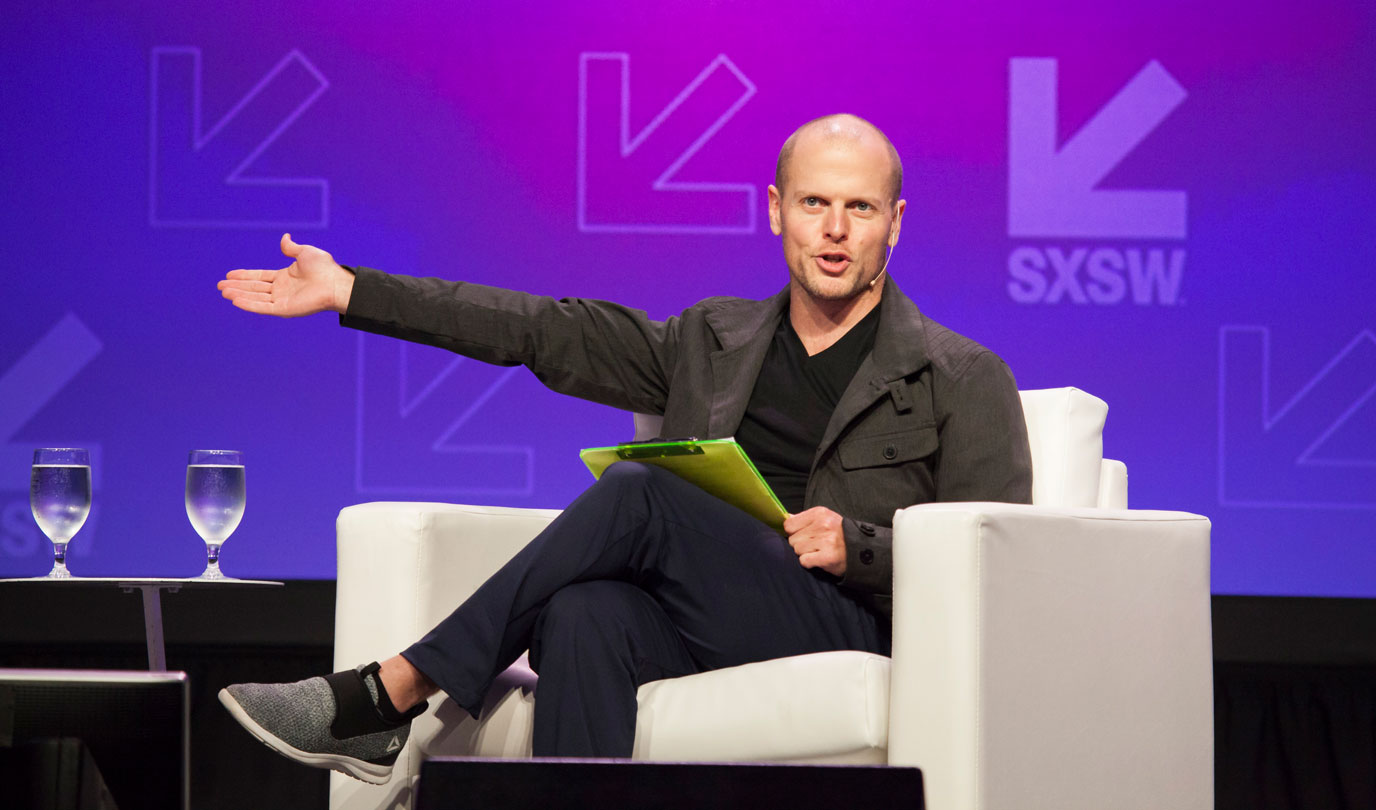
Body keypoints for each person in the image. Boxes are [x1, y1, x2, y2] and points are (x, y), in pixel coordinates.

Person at [215, 113, 1032, 784]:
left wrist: (858, 548)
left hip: (844, 620)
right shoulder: (712, 337)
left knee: (644, 489)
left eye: (859, 209)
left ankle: (390, 692)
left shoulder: (958, 376)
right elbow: (542, 330)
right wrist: (355, 290)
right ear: (776, 208)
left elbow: (998, 572)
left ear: (895, 222)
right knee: (582, 614)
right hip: (715, 613)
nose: (834, 230)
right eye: (816, 203)